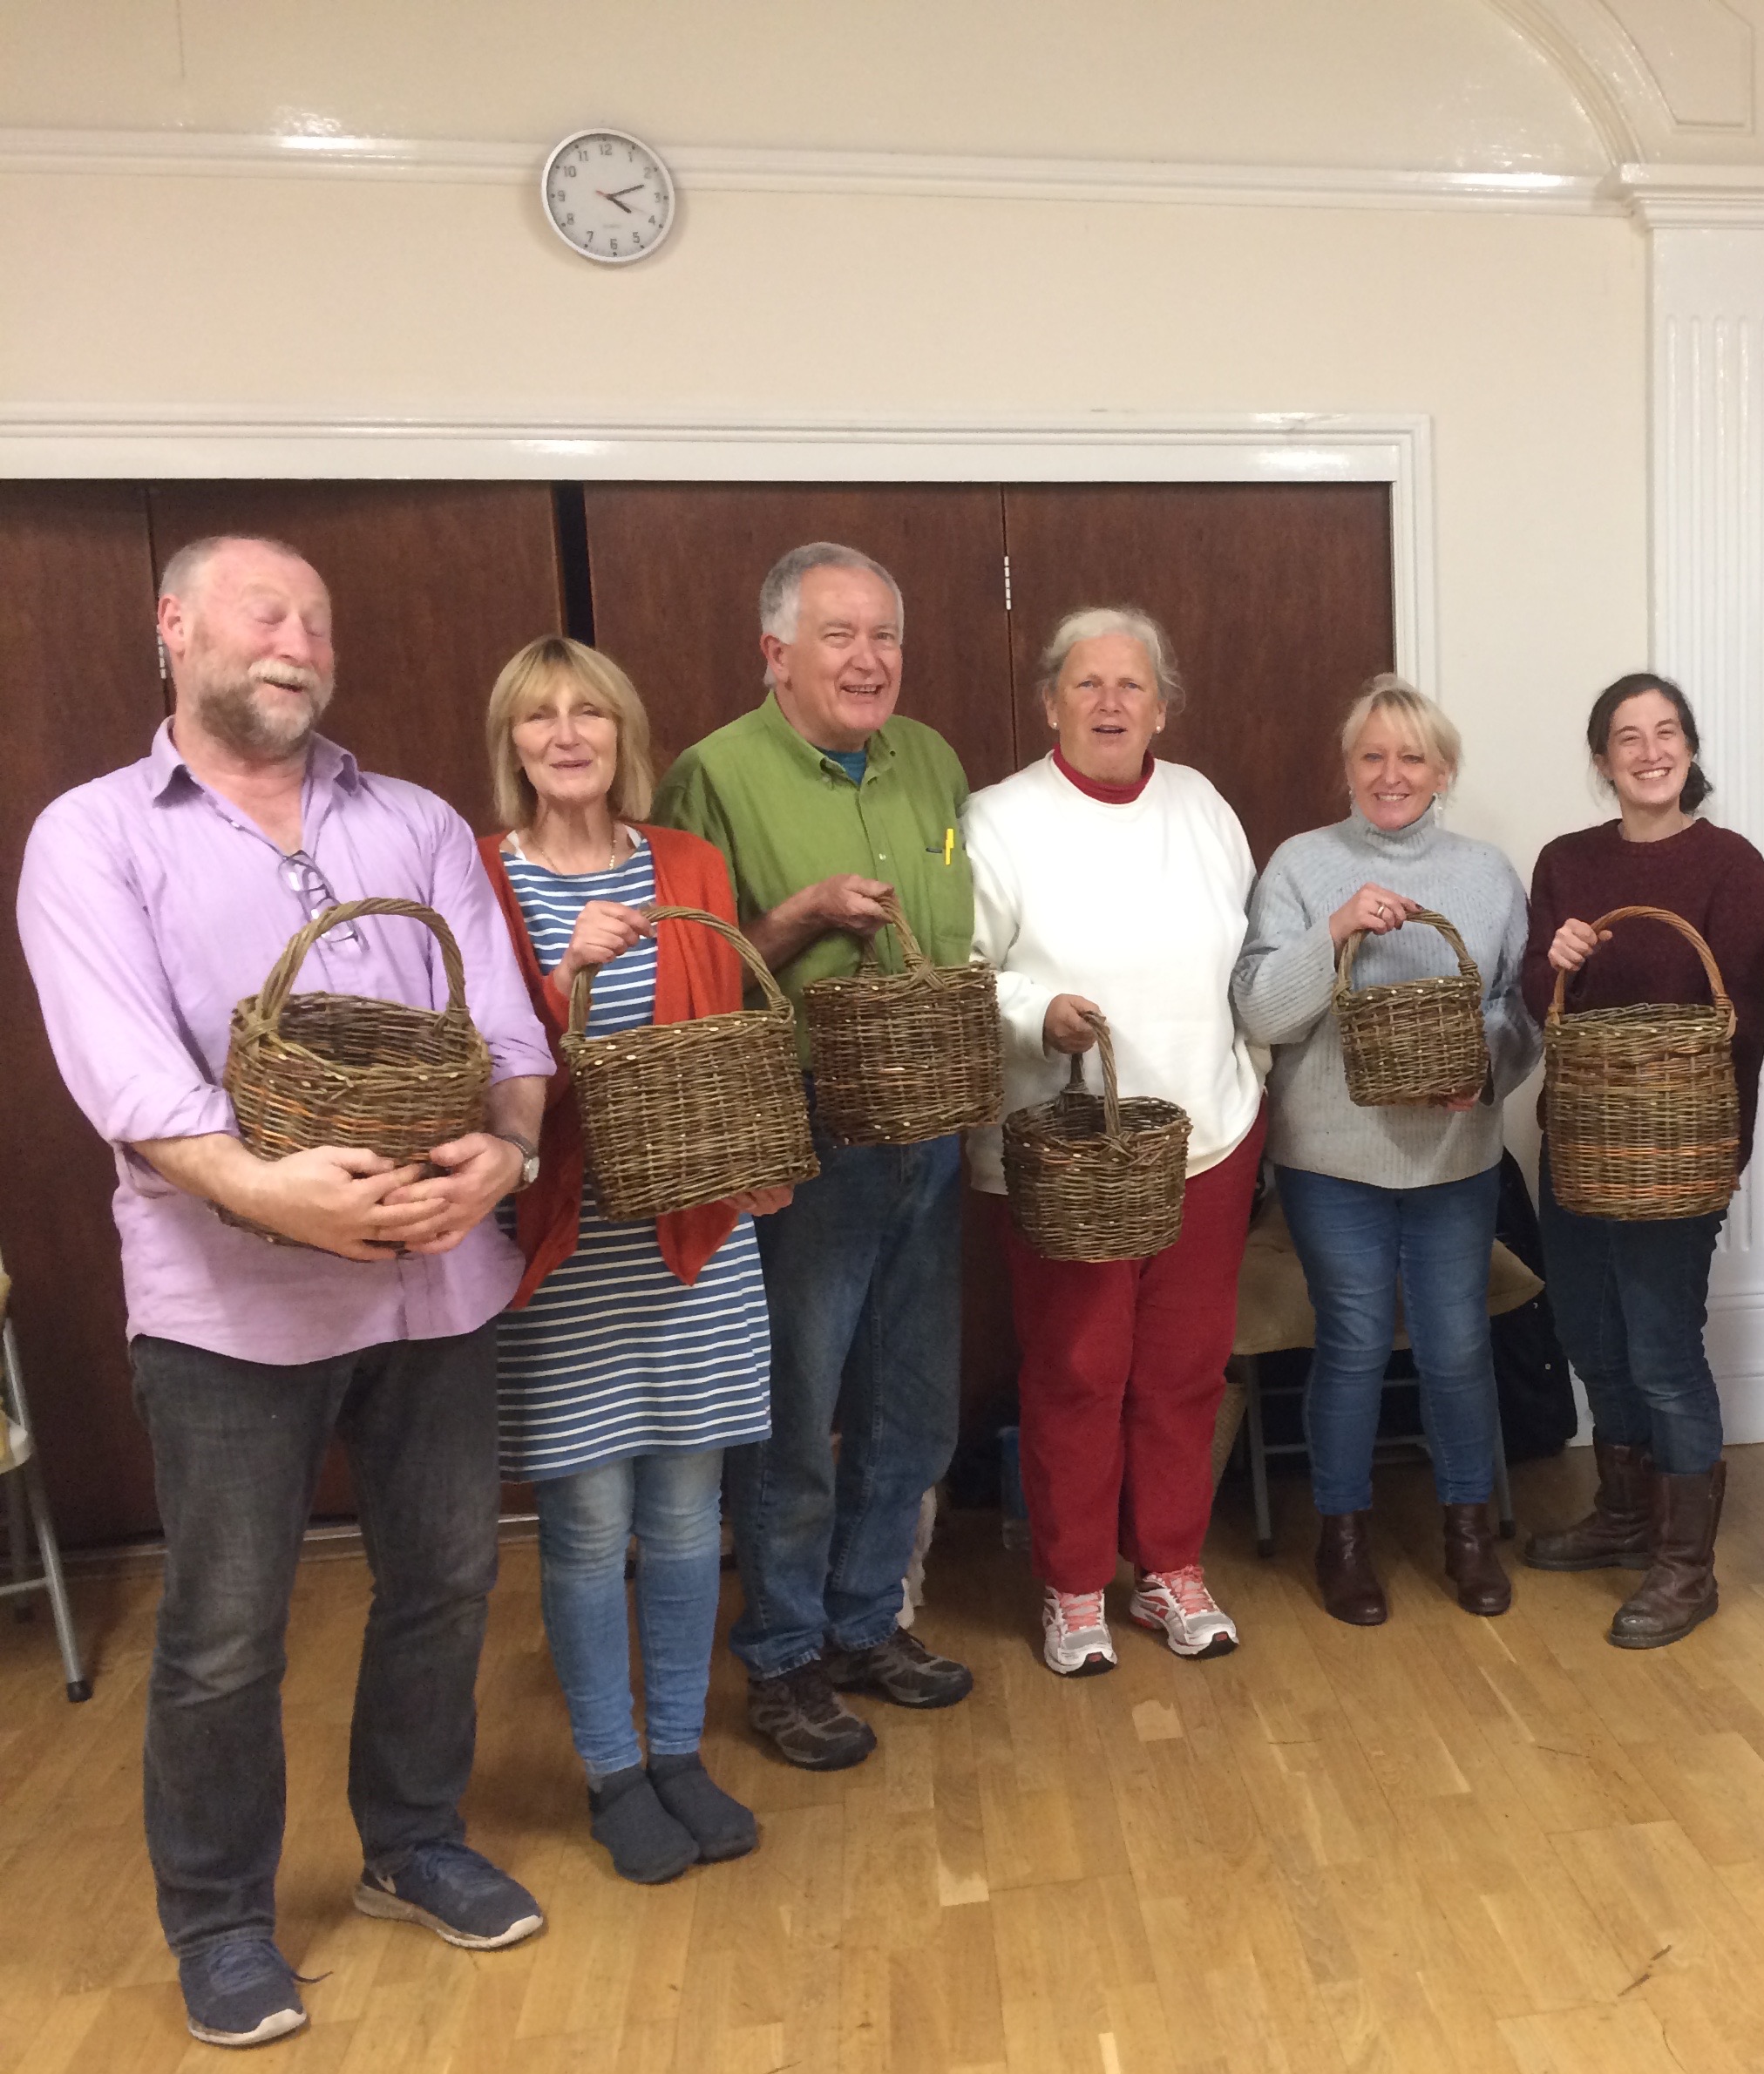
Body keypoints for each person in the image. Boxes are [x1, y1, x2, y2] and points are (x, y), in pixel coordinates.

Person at [17, 535, 551, 2050]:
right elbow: (124, 1064)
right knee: (228, 1626)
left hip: (435, 1288)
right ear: (173, 626)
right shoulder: (93, 835)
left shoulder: (421, 820)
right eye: (267, 608)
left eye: (317, 616)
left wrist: (504, 1159)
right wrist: (262, 1188)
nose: (297, 637)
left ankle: (413, 1838)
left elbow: (505, 1029)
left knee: (445, 1578)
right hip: (224, 1305)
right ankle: (219, 1916)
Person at [652, 543, 975, 1772]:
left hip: (929, 1124)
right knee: (794, 1415)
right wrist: (795, 920)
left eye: (884, 635)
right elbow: (691, 969)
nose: (868, 659)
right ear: (776, 653)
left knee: (915, 1404)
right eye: (838, 635)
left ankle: (861, 1624)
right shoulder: (714, 774)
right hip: (804, 1140)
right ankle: (782, 1657)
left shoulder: (933, 758)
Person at [478, 637, 784, 1881]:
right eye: (539, 717)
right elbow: (479, 1053)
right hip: (568, 1252)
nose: (565, 734)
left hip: (696, 1240)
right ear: (512, 745)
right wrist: (569, 980)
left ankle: (679, 1758)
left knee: (686, 1518)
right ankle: (611, 1771)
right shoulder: (480, 876)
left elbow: (720, 1036)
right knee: (591, 1526)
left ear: (623, 736)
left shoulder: (691, 866)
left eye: (588, 713)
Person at [967, 607, 1266, 1676]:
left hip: (1207, 1138)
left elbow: (1247, 956)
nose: (1108, 703)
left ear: (1161, 707)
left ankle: (1172, 1569)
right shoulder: (1000, 819)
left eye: (1129, 686)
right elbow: (966, 967)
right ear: (1051, 702)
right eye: (1086, 685)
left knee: (1184, 1371)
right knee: (1078, 1371)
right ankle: (1075, 1583)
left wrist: (1252, 1077)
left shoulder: (1203, 807)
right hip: (1068, 1160)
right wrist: (1036, 1010)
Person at [1231, 677, 1542, 1623]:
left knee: (1454, 1348)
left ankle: (1466, 1531)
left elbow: (1516, 1012)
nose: (1391, 774)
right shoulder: (1299, 866)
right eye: (1372, 755)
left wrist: (1482, 1071)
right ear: (1347, 768)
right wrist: (1334, 931)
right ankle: (1345, 1535)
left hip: (1453, 1154)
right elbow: (1259, 1012)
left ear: (1443, 771)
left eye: (1412, 757)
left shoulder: (1487, 875)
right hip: (1333, 1158)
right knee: (1356, 1344)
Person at [1516, 673, 1764, 1648]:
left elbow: (1741, 1022)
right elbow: (1537, 1001)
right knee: (1590, 1332)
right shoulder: (1565, 862)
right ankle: (1624, 1516)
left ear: (1692, 750)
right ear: (1601, 761)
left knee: (1663, 1349)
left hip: (1678, 1151)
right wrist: (1561, 959)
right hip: (1579, 1141)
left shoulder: (1733, 866)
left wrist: (1732, 1144)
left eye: (1668, 733)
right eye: (1628, 737)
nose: (1650, 751)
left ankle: (1685, 1564)